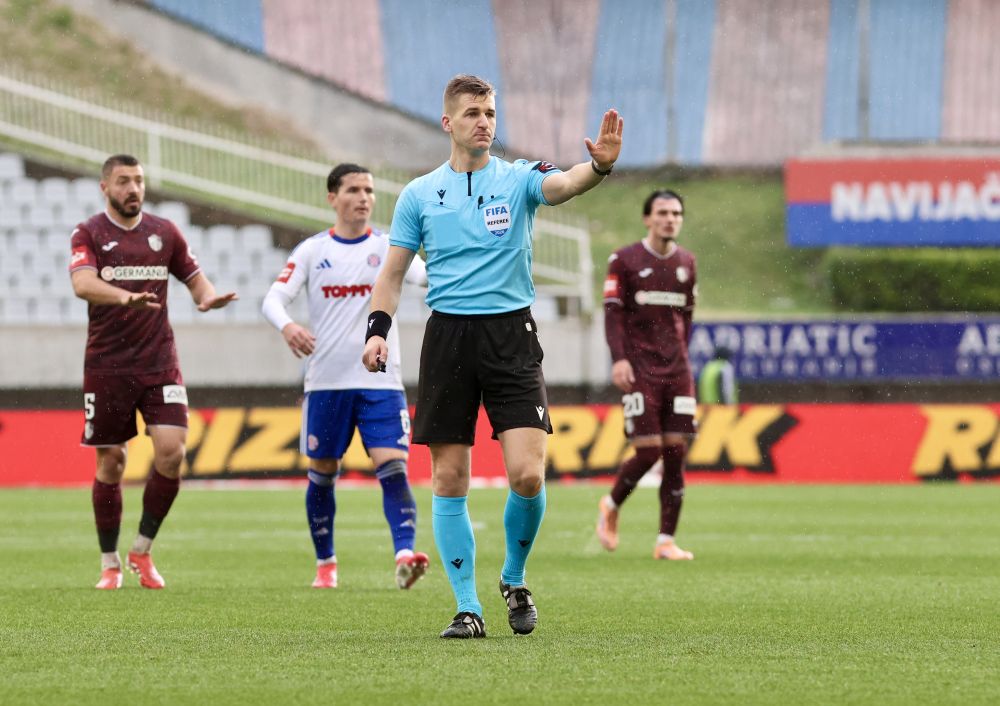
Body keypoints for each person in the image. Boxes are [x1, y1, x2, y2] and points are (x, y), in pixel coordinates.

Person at [362, 74, 623, 639]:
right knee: (449, 477)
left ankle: (514, 577)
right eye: (473, 113)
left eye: (490, 113)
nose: (484, 122)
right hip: (448, 338)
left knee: (528, 475)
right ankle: (467, 607)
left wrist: (597, 168)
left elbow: (564, 185)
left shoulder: (519, 178)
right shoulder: (419, 194)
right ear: (448, 122)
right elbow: (392, 275)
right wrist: (377, 331)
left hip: (511, 336)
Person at [69, 154, 237, 590]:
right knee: (112, 461)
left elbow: (196, 281)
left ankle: (141, 550)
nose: (133, 189)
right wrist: (124, 297)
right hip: (106, 365)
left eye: (139, 181)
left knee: (171, 452)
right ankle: (109, 562)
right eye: (124, 181)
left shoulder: (165, 232)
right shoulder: (89, 232)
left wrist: (208, 298)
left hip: (159, 362)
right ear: (105, 187)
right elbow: (82, 283)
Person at [262, 163, 430, 590]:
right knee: (323, 471)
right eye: (353, 190)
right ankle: (326, 564)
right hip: (326, 383)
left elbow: (429, 277)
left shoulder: (390, 246)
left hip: (381, 380)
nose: (364, 198)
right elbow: (272, 299)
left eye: (369, 190)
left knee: (393, 466)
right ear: (332, 198)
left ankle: (405, 555)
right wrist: (288, 326)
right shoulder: (312, 251)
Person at [596, 189, 697, 561]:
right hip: (640, 370)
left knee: (675, 452)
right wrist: (619, 359)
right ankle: (610, 505)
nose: (670, 219)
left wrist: (681, 356)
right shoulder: (624, 260)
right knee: (649, 450)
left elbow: (687, 318)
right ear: (647, 218)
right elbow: (612, 315)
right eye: (663, 213)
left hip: (678, 371)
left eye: (676, 213)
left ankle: (665, 541)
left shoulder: (687, 262)